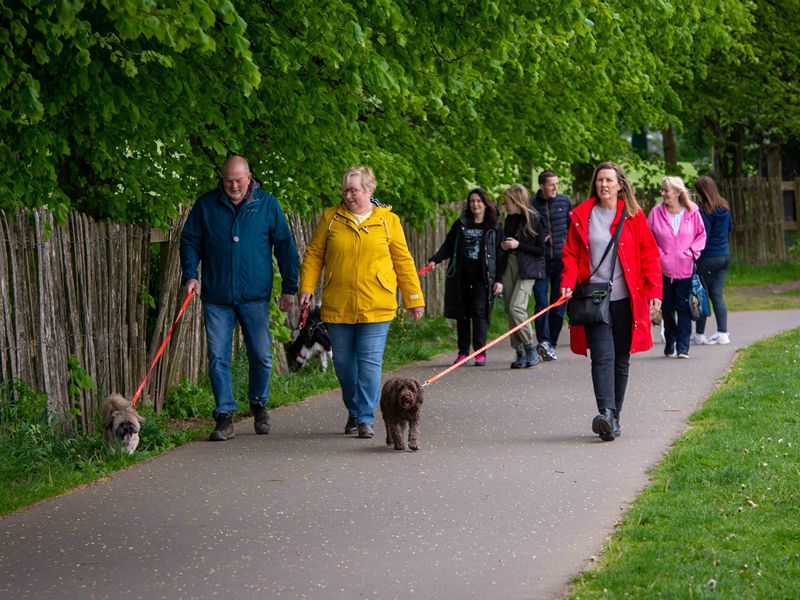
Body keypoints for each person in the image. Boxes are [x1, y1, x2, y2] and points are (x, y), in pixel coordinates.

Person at [298, 166, 425, 439]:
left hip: (377, 304)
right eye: (344, 190)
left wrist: (414, 298)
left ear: (369, 190)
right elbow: (314, 254)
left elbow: (403, 260)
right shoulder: (331, 218)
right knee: (343, 363)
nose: (348, 195)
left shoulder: (388, 221)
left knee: (369, 362)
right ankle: (354, 411)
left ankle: (365, 418)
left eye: (354, 190)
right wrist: (307, 287)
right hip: (339, 304)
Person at [180, 155, 300, 441]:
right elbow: (190, 241)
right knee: (218, 357)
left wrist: (290, 288)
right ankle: (224, 415)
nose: (233, 186)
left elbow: (285, 246)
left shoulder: (266, 204)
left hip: (255, 296)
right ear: (222, 180)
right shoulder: (206, 205)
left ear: (249, 177)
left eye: (238, 180)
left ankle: (259, 405)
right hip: (217, 296)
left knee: (261, 354)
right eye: (228, 180)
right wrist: (191, 274)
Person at [560, 162, 662, 441]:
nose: (603, 185)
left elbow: (649, 256)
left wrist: (655, 293)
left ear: (620, 185)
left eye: (609, 180)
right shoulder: (583, 215)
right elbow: (569, 253)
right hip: (594, 299)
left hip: (626, 300)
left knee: (620, 358)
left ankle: (614, 417)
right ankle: (605, 412)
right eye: (599, 180)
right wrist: (568, 282)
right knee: (602, 357)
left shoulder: (633, 216)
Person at [427, 189, 504, 366]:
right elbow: (448, 246)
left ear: (485, 203)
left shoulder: (494, 227)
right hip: (461, 275)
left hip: (482, 277)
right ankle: (463, 352)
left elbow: (500, 255)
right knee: (462, 314)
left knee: (479, 313)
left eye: (478, 201)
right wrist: (435, 260)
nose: (475, 204)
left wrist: (499, 279)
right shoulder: (461, 224)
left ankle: (479, 352)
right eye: (472, 201)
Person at [647, 176, 707, 359]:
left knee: (683, 308)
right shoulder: (656, 213)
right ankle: (670, 338)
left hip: (685, 269)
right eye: (662, 190)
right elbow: (648, 240)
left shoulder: (692, 211)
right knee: (666, 308)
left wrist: (691, 253)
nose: (662, 193)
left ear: (677, 192)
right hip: (663, 271)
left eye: (666, 190)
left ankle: (683, 347)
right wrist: (660, 254)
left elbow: (701, 236)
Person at [500, 184, 545, 369]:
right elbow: (506, 244)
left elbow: (540, 250)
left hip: (528, 268)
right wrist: (505, 246)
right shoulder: (509, 219)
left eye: (507, 202)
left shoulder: (534, 220)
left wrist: (518, 245)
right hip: (510, 265)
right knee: (509, 311)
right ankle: (519, 351)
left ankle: (530, 347)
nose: (505, 206)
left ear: (517, 201)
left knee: (516, 308)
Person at [531, 170, 572, 361]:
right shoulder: (532, 205)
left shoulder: (564, 202)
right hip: (540, 261)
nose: (555, 187)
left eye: (557, 183)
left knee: (558, 305)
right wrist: (538, 239)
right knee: (541, 303)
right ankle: (544, 342)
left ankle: (552, 343)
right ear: (541, 186)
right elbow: (526, 231)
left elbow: (572, 228)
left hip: (561, 261)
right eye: (551, 184)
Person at [692, 175, 733, 345]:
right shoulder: (724, 208)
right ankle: (722, 333)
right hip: (724, 257)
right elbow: (730, 227)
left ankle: (700, 334)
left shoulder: (705, 212)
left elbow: (703, 236)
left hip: (708, 258)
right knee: (717, 295)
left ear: (702, 192)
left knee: (703, 295)